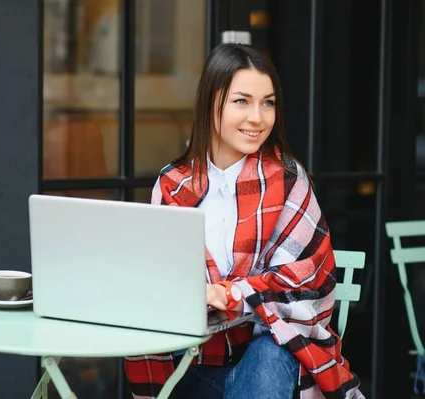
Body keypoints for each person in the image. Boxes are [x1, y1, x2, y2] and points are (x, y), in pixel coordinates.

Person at [123, 43, 364, 399]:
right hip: (197, 357)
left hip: (275, 356)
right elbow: (157, 279)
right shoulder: (172, 185)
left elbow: (306, 279)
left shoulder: (287, 179)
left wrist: (235, 293)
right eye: (242, 101)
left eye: (267, 102)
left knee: (269, 353)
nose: (258, 117)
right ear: (209, 104)